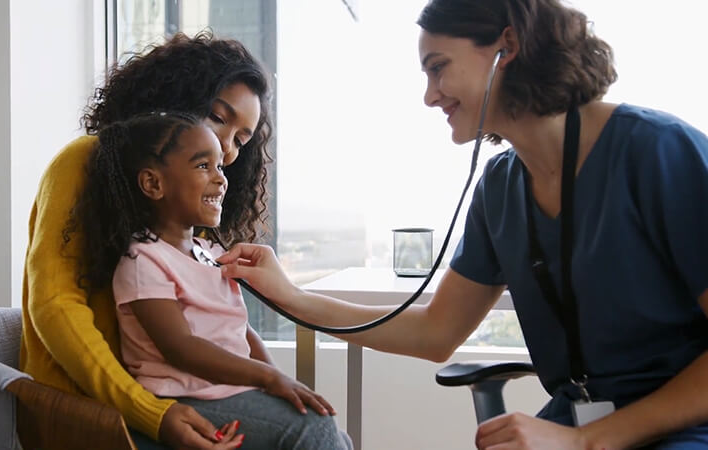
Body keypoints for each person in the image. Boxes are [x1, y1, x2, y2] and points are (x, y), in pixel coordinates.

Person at [216, 0, 708, 448]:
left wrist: (587, 442)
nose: (430, 96)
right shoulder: (500, 187)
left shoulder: (659, 152)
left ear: (506, 48)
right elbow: (436, 332)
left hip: (681, 425)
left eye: (438, 69)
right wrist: (291, 297)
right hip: (580, 424)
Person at [20, 31, 276, 449]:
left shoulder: (181, 220)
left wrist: (271, 386)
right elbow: (55, 306)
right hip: (87, 411)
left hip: (172, 401)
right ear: (176, 96)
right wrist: (149, 411)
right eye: (218, 117)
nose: (227, 150)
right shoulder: (81, 161)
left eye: (240, 140)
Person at [64, 112, 352, 450]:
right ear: (153, 183)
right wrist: (268, 378)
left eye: (220, 167)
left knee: (337, 437)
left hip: (227, 392)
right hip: (185, 397)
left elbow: (241, 330)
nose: (220, 179)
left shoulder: (210, 252)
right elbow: (181, 348)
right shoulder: (144, 261)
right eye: (203, 166)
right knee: (314, 430)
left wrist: (278, 380)